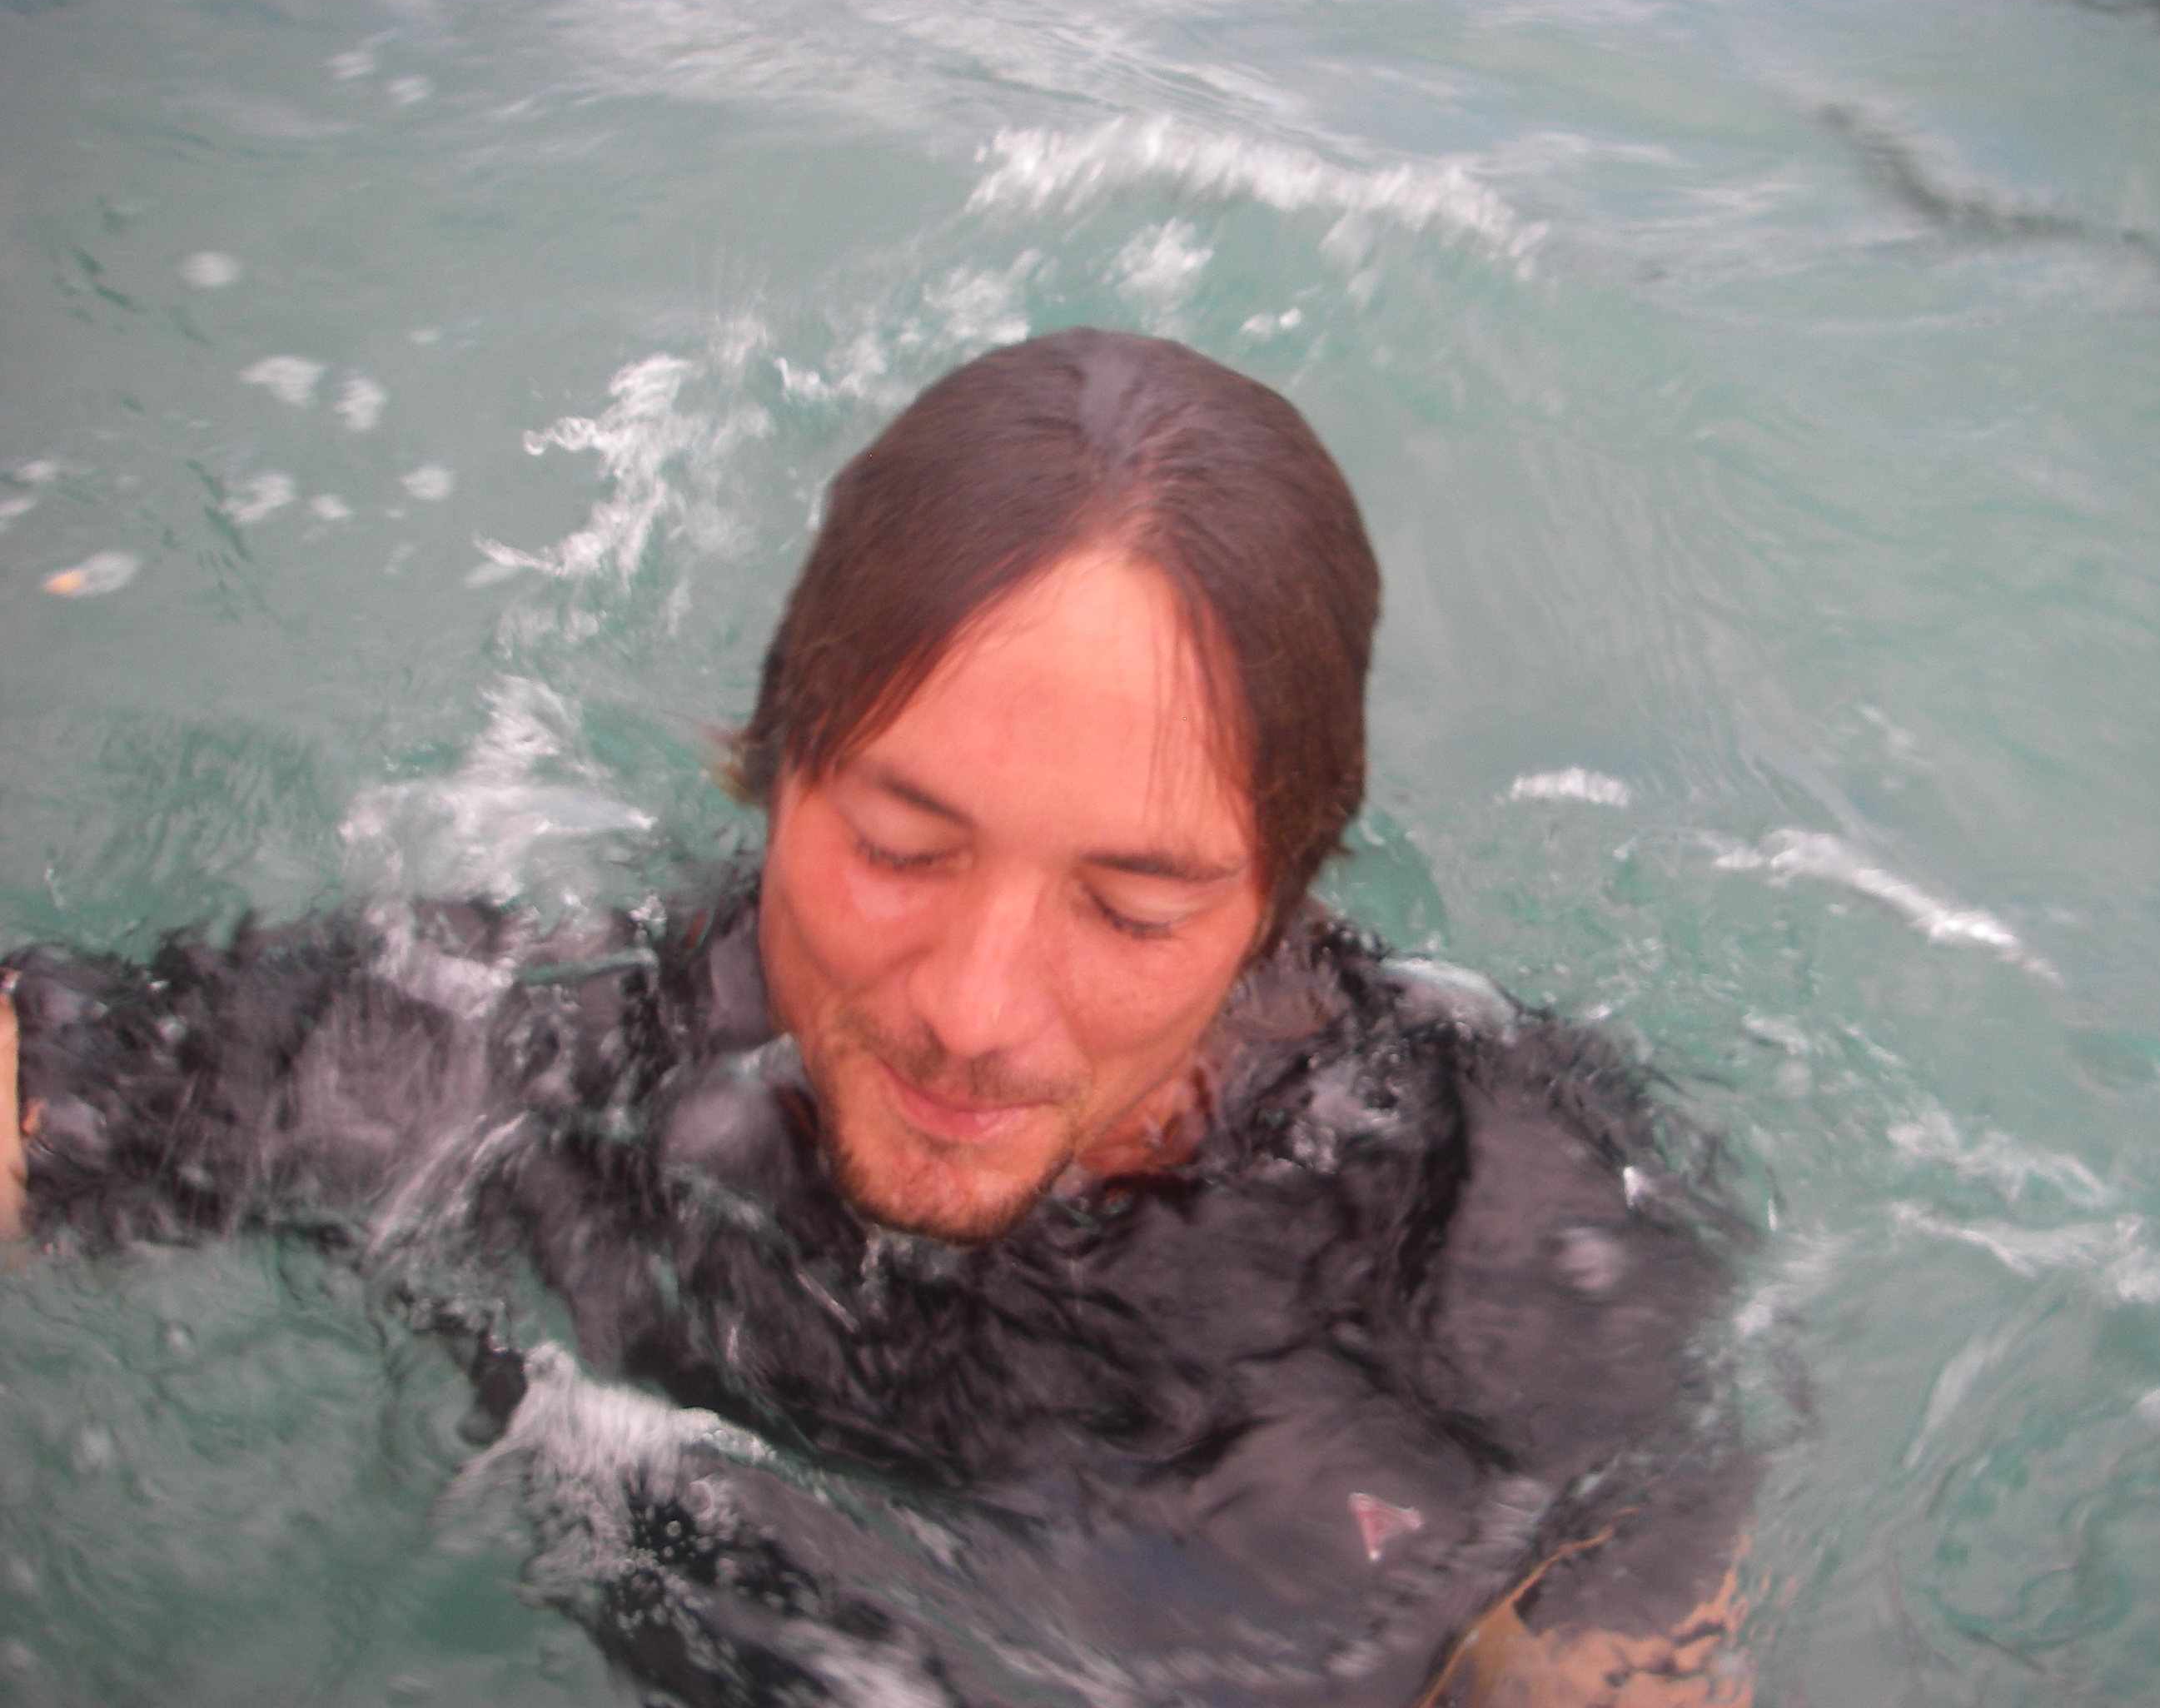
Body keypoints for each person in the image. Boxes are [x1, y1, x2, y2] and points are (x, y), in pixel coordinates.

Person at [0, 330, 1751, 1706]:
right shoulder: (524, 1064)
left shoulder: (1531, 1239)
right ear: (765, 768)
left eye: (1131, 910)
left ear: (1281, 901)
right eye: (900, 851)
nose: (974, 1015)